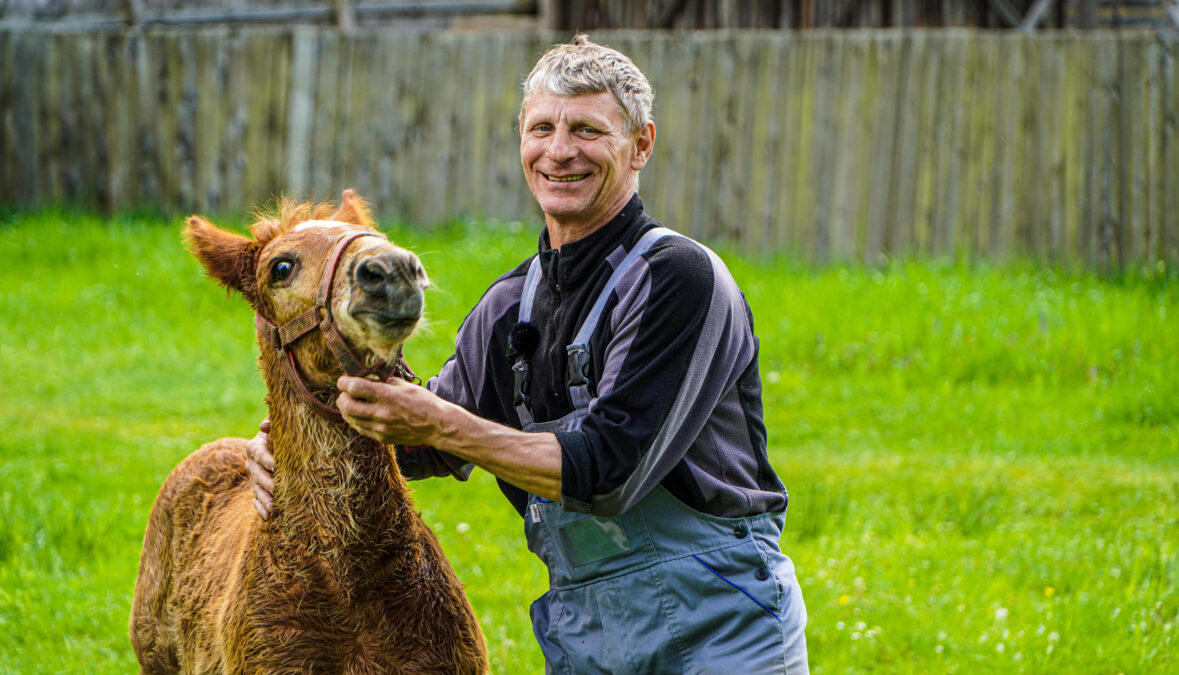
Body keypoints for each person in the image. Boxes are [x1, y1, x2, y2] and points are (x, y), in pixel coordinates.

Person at [246, 35, 808, 673]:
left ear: (642, 144)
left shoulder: (678, 277)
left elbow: (610, 472)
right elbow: (419, 441)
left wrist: (436, 421)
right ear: (521, 140)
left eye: (588, 130)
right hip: (588, 633)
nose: (559, 150)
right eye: (541, 128)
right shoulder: (510, 303)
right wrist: (285, 447)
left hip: (720, 622)